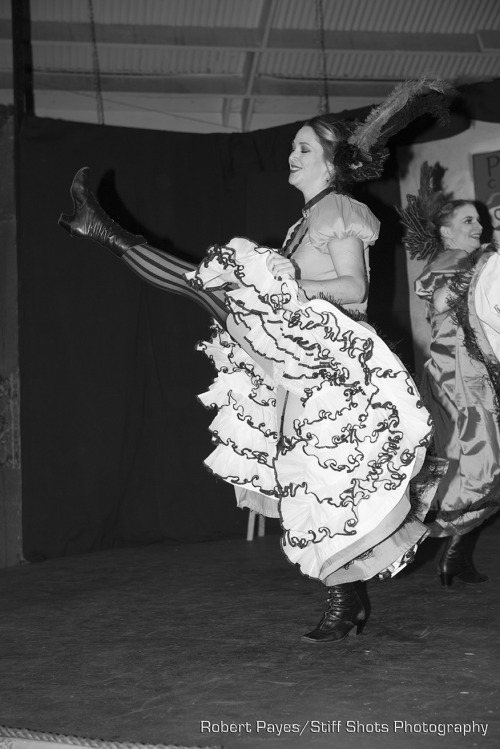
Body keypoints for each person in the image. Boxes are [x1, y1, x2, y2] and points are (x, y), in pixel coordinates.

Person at [59, 80, 449, 642]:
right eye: (293, 147)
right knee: (313, 479)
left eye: (304, 148)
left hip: (327, 356)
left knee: (207, 290)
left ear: (334, 161)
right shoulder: (304, 221)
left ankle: (104, 232)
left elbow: (355, 290)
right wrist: (277, 283)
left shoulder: (339, 208)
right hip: (300, 357)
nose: (292, 155)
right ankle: (346, 600)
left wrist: (286, 285)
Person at [399, 162, 500, 586]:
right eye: (468, 220)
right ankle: (436, 545)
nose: (478, 226)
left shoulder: (475, 259)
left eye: (479, 219)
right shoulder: (454, 259)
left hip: (473, 370)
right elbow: (440, 301)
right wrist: (476, 269)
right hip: (455, 374)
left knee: (481, 464)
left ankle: (454, 555)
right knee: (479, 463)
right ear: (446, 231)